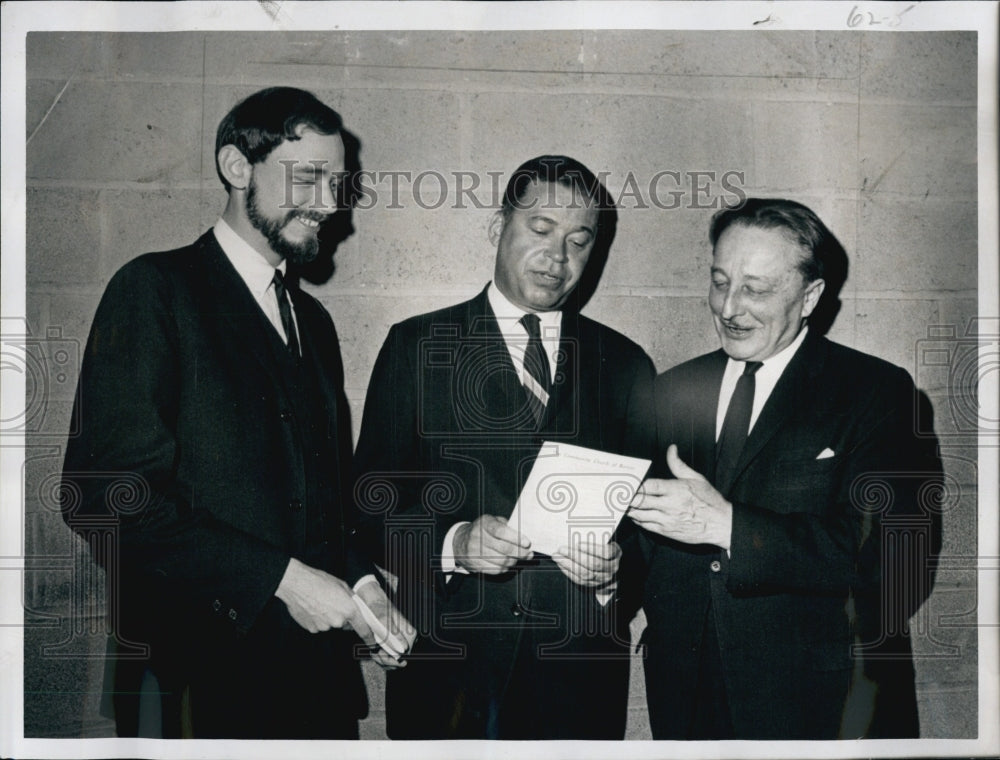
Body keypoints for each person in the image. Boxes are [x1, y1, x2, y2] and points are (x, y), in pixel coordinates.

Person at [60, 87, 414, 739]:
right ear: (235, 165)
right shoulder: (153, 291)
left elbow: (323, 507)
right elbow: (104, 497)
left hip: (317, 693)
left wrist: (363, 586)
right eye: (308, 178)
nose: (330, 203)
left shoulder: (315, 322)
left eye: (336, 183)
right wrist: (282, 580)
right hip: (194, 687)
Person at [353, 155, 655, 739]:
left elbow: (648, 532)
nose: (557, 257)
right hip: (449, 677)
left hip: (577, 683)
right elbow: (368, 508)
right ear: (498, 229)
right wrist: (454, 543)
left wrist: (615, 575)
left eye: (578, 240)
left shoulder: (625, 366)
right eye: (540, 230)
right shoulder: (416, 346)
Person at [629, 198, 942, 739]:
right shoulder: (670, 390)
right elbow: (645, 543)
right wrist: (606, 567)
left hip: (819, 704)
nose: (729, 308)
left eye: (756, 289)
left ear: (810, 296)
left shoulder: (876, 394)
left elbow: (896, 562)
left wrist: (729, 526)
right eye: (720, 281)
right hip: (686, 698)